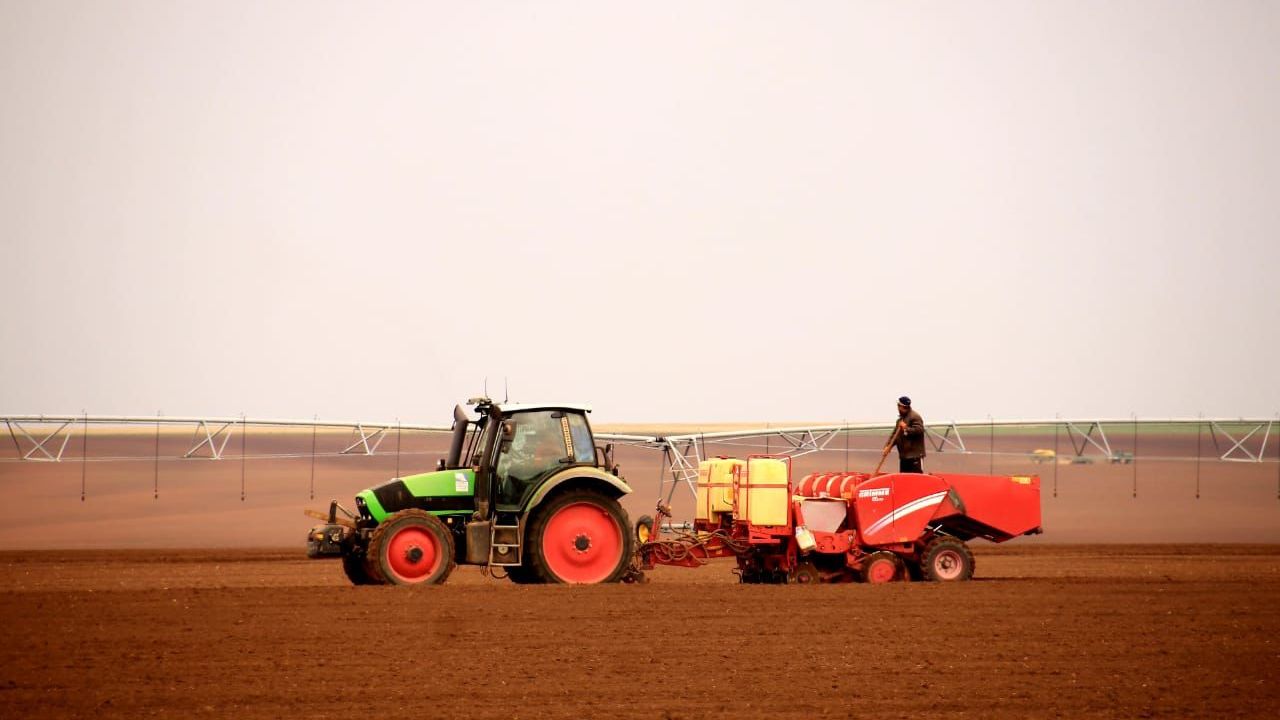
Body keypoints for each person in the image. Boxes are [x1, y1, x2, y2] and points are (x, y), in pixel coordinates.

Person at [888, 396, 926, 473]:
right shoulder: (900, 419)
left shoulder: (915, 417)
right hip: (904, 457)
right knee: (904, 480)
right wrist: (888, 446)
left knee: (916, 479)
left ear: (903, 406)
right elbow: (895, 435)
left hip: (914, 456)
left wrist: (906, 428)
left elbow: (919, 430)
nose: (898, 408)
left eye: (899, 406)